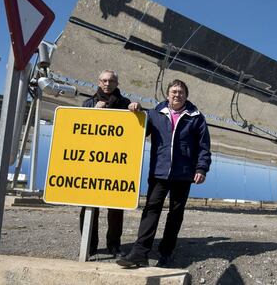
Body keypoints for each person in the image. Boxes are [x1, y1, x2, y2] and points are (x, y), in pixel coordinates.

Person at [117, 79, 212, 268]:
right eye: (174, 91)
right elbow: (139, 132)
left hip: (183, 174)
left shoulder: (196, 117)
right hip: (159, 172)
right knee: (151, 211)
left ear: (186, 95)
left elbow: (204, 146)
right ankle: (139, 253)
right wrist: (135, 112)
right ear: (167, 94)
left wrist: (201, 168)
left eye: (181, 92)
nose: (177, 95)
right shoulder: (154, 114)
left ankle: (166, 253)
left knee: (175, 214)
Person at [79, 69, 131, 257]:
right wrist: (95, 112)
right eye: (104, 80)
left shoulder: (126, 104)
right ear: (98, 82)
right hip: (92, 162)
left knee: (116, 208)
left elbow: (134, 132)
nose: (107, 84)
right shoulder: (88, 104)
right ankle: (89, 245)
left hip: (116, 163)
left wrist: (135, 110)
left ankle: (114, 245)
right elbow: (79, 132)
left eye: (111, 81)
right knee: (88, 207)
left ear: (117, 83)